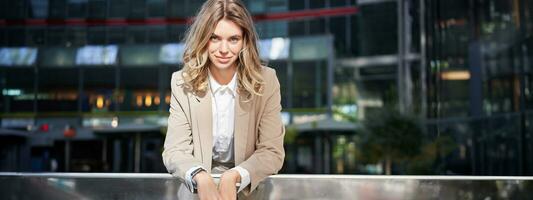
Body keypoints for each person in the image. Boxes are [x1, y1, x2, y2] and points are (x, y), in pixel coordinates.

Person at [162, 0, 285, 199]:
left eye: (233, 39)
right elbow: (175, 150)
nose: (224, 49)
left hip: (250, 192)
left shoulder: (267, 80)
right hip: (196, 194)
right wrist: (200, 176)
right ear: (203, 38)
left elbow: (272, 151)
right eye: (215, 38)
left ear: (245, 40)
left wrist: (235, 175)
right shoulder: (181, 82)